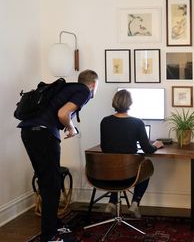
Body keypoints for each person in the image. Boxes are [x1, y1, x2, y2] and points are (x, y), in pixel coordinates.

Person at [18, 69, 98, 242]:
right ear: (93, 84)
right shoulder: (84, 91)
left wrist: (68, 126)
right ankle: (50, 236)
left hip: (28, 132)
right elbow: (63, 113)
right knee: (52, 185)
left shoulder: (68, 88)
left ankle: (53, 224)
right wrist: (71, 128)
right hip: (43, 134)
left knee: (47, 181)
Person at [100, 89, 163, 218]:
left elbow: (104, 147)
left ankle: (112, 202)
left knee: (116, 167)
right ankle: (135, 203)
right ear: (130, 103)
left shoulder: (105, 121)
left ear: (114, 103)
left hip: (108, 171)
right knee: (145, 170)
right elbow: (147, 149)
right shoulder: (137, 122)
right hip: (130, 174)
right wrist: (156, 145)